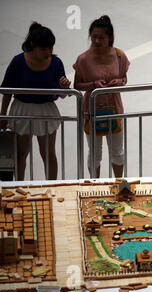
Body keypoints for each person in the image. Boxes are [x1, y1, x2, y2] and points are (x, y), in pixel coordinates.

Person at [0, 22, 71, 181]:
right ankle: (18, 187)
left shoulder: (56, 63)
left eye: (50, 48)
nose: (48, 52)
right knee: (21, 153)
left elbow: (63, 94)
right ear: (33, 45)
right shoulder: (18, 62)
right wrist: (3, 116)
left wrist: (64, 87)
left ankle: (53, 187)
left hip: (46, 110)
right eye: (44, 48)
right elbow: (6, 91)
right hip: (22, 110)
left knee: (47, 153)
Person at [73, 15, 130, 178]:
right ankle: (94, 183)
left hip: (114, 110)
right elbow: (77, 85)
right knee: (95, 152)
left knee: (117, 151)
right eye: (94, 37)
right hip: (91, 112)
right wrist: (92, 85)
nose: (97, 41)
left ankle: (119, 183)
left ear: (110, 38)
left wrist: (119, 81)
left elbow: (124, 78)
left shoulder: (119, 56)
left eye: (101, 37)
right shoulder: (83, 59)